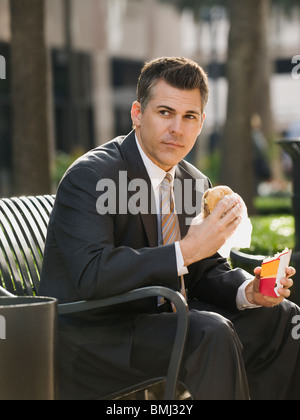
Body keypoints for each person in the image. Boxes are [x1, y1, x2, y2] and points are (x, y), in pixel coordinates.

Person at [40, 57, 299, 400]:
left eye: (189, 117)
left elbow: (204, 270)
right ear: (137, 114)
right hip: (96, 336)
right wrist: (186, 250)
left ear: (201, 122)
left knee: (283, 319)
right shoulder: (92, 176)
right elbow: (92, 275)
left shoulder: (192, 181)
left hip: (165, 322)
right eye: (165, 113)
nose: (177, 128)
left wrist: (247, 291)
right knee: (210, 332)